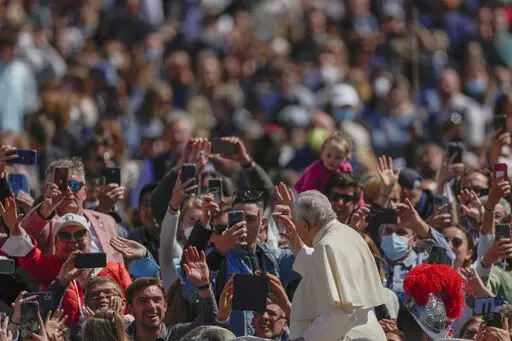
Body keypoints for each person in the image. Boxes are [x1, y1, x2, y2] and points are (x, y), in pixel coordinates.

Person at [1, 198, 131, 327]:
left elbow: (134, 305)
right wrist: (16, 230)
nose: (73, 240)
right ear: (56, 244)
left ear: (90, 239)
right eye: (65, 236)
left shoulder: (116, 270)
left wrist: (120, 321)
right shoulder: (51, 268)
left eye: (80, 234)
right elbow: (29, 255)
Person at [274, 190, 386, 341]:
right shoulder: (348, 234)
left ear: (306, 224)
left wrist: (305, 339)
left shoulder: (327, 246)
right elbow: (322, 270)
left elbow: (340, 313)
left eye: (297, 223)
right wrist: (296, 243)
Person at [20, 157, 123, 262]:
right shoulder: (45, 223)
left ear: (85, 192)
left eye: (75, 185)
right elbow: (23, 243)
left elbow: (118, 265)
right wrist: (46, 208)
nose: (69, 190)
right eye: (62, 185)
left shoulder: (106, 221)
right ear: (48, 190)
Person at [125, 247, 227, 341]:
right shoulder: (119, 336)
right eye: (142, 301)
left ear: (165, 306)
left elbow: (208, 325)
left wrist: (203, 285)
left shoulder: (179, 336)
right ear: (131, 309)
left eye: (157, 300)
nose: (152, 306)